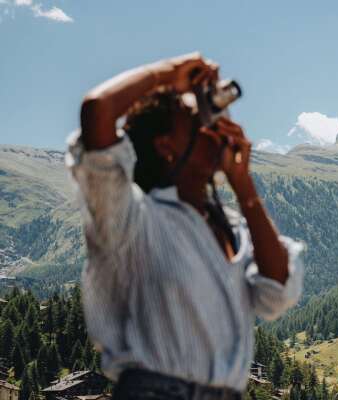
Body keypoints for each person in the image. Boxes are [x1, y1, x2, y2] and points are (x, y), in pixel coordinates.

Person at [66, 53, 303, 400]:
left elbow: (277, 293)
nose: (215, 127)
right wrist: (169, 75)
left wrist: (244, 185)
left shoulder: (232, 228)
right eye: (199, 120)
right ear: (165, 146)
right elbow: (96, 111)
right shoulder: (134, 218)